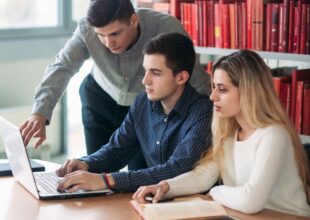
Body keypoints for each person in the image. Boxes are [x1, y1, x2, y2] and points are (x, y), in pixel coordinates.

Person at [19, 0, 210, 170]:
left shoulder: (166, 28)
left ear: (134, 20)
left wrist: (217, 119)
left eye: (115, 33)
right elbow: (63, 66)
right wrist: (40, 112)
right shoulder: (86, 28)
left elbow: (194, 78)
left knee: (139, 174)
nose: (108, 42)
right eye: (101, 35)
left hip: (144, 107)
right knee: (93, 168)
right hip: (99, 99)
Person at [132, 50, 310, 217]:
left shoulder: (273, 135)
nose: (212, 97)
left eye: (222, 89)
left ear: (249, 92)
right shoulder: (230, 135)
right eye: (214, 87)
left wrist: (215, 191)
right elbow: (202, 177)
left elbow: (251, 201)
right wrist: (164, 187)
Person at [55, 32, 212, 193]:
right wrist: (86, 163)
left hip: (189, 205)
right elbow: (117, 149)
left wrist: (107, 180)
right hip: (153, 200)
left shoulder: (203, 113)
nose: (145, 80)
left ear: (181, 77)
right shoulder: (143, 102)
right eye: (145, 71)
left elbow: (176, 170)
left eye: (156, 73)